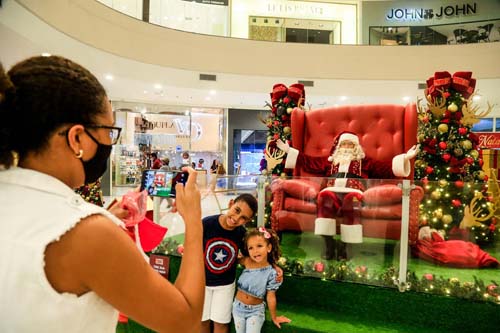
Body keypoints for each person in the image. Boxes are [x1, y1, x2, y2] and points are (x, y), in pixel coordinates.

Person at [0, 55, 204, 332]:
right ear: (77, 139)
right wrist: (194, 222)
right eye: (109, 132)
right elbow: (184, 319)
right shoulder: (89, 233)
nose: (110, 143)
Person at [277, 131, 418, 260]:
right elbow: (308, 162)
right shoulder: (330, 161)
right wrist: (289, 150)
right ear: (338, 146)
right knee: (324, 199)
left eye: (350, 144)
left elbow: (386, 168)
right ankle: (329, 243)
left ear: (356, 147)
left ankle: (346, 245)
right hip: (330, 190)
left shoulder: (365, 162)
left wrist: (406, 158)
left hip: (354, 192)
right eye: (343, 144)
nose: (346, 146)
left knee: (352, 202)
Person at [202, 194, 281, 333]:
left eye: (243, 218)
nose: (236, 219)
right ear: (231, 203)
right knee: (202, 322)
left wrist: (273, 266)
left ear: (249, 220)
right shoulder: (207, 224)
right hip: (202, 283)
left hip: (225, 285)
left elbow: (253, 257)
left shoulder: (242, 234)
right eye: (237, 210)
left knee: (221, 324)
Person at [233, 227, 291, 333]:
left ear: (269, 248)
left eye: (259, 246)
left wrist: (274, 317)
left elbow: (271, 296)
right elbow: (232, 259)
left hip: (255, 311)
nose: (255, 251)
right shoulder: (247, 261)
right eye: (251, 248)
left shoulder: (272, 273)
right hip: (237, 308)